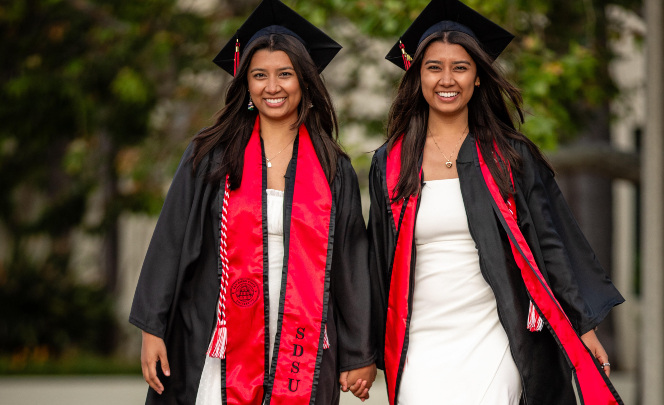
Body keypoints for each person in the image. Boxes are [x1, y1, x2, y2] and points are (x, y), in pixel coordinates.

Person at [368, 0, 625, 404]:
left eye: (461, 66)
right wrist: (362, 352)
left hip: (495, 331)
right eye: (433, 67)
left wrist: (583, 327)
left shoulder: (509, 156)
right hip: (419, 337)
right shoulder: (392, 162)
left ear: (478, 78)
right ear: (417, 76)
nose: (446, 79)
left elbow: (551, 243)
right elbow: (377, 259)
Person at [129, 1, 376, 403]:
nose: (272, 87)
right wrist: (152, 328)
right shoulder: (211, 155)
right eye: (259, 75)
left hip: (304, 337)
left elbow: (351, 263)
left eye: (285, 74)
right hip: (222, 334)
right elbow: (170, 242)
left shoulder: (333, 167)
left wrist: (359, 351)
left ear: (306, 81)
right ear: (246, 83)